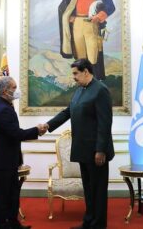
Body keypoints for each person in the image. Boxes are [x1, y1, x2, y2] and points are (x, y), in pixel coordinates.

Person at [46, 58, 114, 229]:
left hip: (96, 152)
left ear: (86, 72)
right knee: (89, 190)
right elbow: (67, 112)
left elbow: (105, 123)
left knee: (98, 191)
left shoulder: (100, 90)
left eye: (76, 73)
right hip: (83, 150)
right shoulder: (79, 91)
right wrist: (48, 125)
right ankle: (89, 222)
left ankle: (98, 225)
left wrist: (100, 150)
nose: (74, 77)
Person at [0, 76, 47, 229]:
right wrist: (37, 130)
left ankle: (13, 224)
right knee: (1, 199)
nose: (16, 90)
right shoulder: (2, 109)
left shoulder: (4, 104)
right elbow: (16, 134)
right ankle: (4, 226)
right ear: (5, 91)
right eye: (13, 87)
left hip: (7, 160)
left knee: (12, 196)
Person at [58, 0, 115, 80]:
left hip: (92, 25)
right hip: (77, 25)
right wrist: (70, 16)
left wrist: (98, 17)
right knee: (80, 59)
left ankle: (94, 83)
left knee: (93, 57)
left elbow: (111, 7)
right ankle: (82, 84)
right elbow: (63, 7)